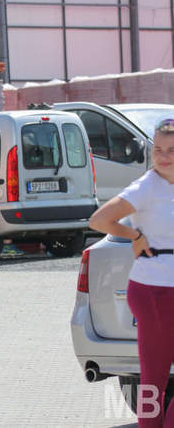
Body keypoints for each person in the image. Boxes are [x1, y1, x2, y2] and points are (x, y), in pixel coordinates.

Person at [89, 117, 174, 427]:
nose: (163, 157)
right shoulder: (146, 187)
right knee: (153, 379)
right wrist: (135, 236)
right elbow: (99, 220)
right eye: (158, 150)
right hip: (155, 290)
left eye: (171, 150)